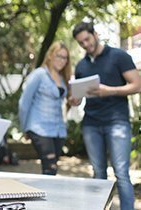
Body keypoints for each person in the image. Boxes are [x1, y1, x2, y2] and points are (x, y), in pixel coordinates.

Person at [70, 21, 141, 210]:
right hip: (91, 124)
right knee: (98, 172)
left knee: (122, 173)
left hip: (117, 122)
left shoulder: (119, 56)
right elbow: (80, 94)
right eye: (81, 43)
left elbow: (137, 85)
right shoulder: (81, 66)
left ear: (95, 34)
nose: (85, 44)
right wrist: (75, 100)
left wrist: (109, 91)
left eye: (87, 39)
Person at [18, 41, 72, 175]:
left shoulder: (62, 77)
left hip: (58, 129)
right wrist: (24, 128)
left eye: (65, 57)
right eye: (58, 56)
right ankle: (47, 196)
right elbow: (24, 103)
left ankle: (49, 194)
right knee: (50, 167)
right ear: (50, 56)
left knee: (52, 168)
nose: (62, 60)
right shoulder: (39, 74)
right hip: (39, 127)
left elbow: (66, 102)